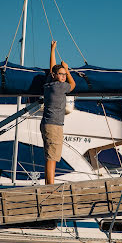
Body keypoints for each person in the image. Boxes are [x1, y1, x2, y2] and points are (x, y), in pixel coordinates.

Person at [41, 41, 76, 185]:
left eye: (63, 74)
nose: (63, 76)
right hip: (54, 126)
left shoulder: (49, 84)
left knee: (50, 156)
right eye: (61, 74)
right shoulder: (60, 87)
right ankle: (50, 186)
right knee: (52, 157)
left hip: (46, 124)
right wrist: (67, 70)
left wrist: (52, 50)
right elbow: (73, 85)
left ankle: (48, 184)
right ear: (56, 76)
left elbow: (52, 68)